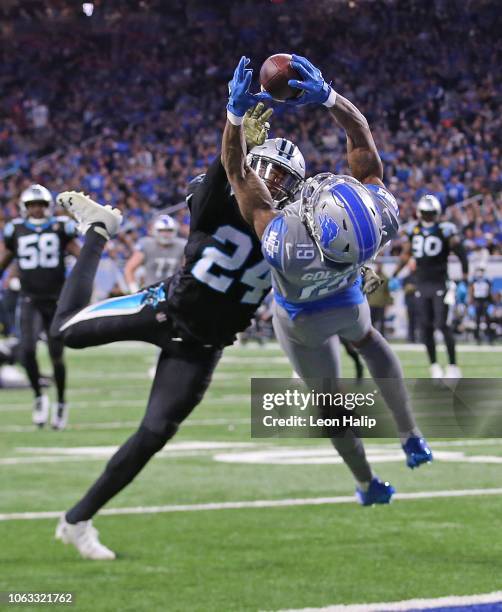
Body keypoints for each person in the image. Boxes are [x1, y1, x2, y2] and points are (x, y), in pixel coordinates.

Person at [50, 105, 304, 560]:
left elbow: (319, 273)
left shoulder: (295, 236)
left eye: (282, 179)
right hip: (162, 310)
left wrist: (347, 270)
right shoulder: (216, 198)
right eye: (265, 170)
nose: (269, 184)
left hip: (202, 349)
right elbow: (218, 177)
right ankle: (97, 230)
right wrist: (235, 135)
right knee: (65, 332)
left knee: (154, 432)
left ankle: (78, 520)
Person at [222, 55, 433, 507]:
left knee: (330, 403)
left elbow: (237, 173)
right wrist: (332, 98)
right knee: (370, 341)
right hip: (346, 296)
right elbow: (363, 145)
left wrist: (234, 117)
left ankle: (366, 483)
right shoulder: (382, 219)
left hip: (300, 319)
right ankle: (411, 433)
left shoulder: (285, 238)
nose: (319, 186)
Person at [0, 184, 80, 428]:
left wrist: (81, 282)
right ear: (25, 208)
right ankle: (38, 396)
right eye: (32, 205)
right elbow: (6, 258)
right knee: (26, 350)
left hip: (55, 299)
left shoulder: (61, 227)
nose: (36, 210)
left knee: (56, 354)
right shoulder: (15, 229)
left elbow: (81, 255)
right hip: (29, 298)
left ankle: (61, 401)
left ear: (48, 207)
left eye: (41, 205)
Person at [394, 194, 469, 379]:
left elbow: (460, 253)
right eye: (426, 213)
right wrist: (395, 275)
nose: (428, 216)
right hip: (421, 283)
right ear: (420, 213)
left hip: (440, 282)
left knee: (442, 325)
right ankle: (434, 365)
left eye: (431, 213)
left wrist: (465, 279)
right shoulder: (414, 230)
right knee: (426, 326)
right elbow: (406, 255)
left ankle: (452, 366)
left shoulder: (445, 229)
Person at [124, 214, 186, 294]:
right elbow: (129, 268)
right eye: (162, 230)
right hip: (151, 292)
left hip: (174, 292)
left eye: (169, 230)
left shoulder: (182, 245)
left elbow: (187, 270)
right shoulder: (146, 244)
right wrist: (134, 289)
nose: (166, 234)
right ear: (155, 231)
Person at [470, 265, 494, 344]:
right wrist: (472, 300)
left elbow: (490, 291)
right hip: (477, 301)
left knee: (487, 320)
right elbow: (471, 291)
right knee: (477, 320)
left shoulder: (487, 280)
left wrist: (490, 301)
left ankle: (489, 338)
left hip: (485, 301)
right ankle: (477, 338)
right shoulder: (474, 280)